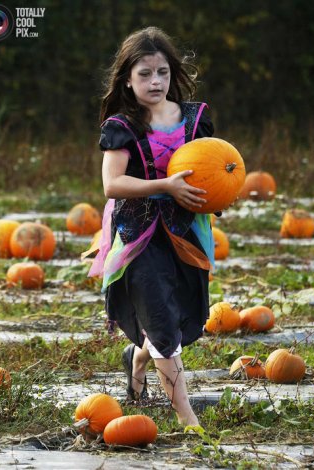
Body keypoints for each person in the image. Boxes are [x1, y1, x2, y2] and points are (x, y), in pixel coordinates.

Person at [89, 26, 215, 428]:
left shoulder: (195, 120)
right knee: (161, 321)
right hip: (138, 236)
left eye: (162, 72)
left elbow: (214, 171)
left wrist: (217, 196)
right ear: (128, 77)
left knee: (176, 320)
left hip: (184, 236)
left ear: (172, 73)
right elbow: (112, 184)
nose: (155, 81)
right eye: (145, 73)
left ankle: (137, 358)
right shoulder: (121, 126)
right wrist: (165, 186)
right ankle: (189, 420)